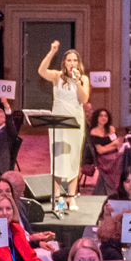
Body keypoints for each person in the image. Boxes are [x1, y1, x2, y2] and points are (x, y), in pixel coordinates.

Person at [34, 40, 92, 197]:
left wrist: (77, 82)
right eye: (69, 60)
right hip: (58, 122)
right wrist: (52, 51)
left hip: (75, 122)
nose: (72, 63)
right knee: (58, 158)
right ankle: (57, 194)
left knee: (73, 157)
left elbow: (84, 99)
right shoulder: (57, 76)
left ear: (78, 63)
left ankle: (71, 196)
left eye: (75, 60)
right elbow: (41, 71)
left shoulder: (83, 79)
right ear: (64, 63)